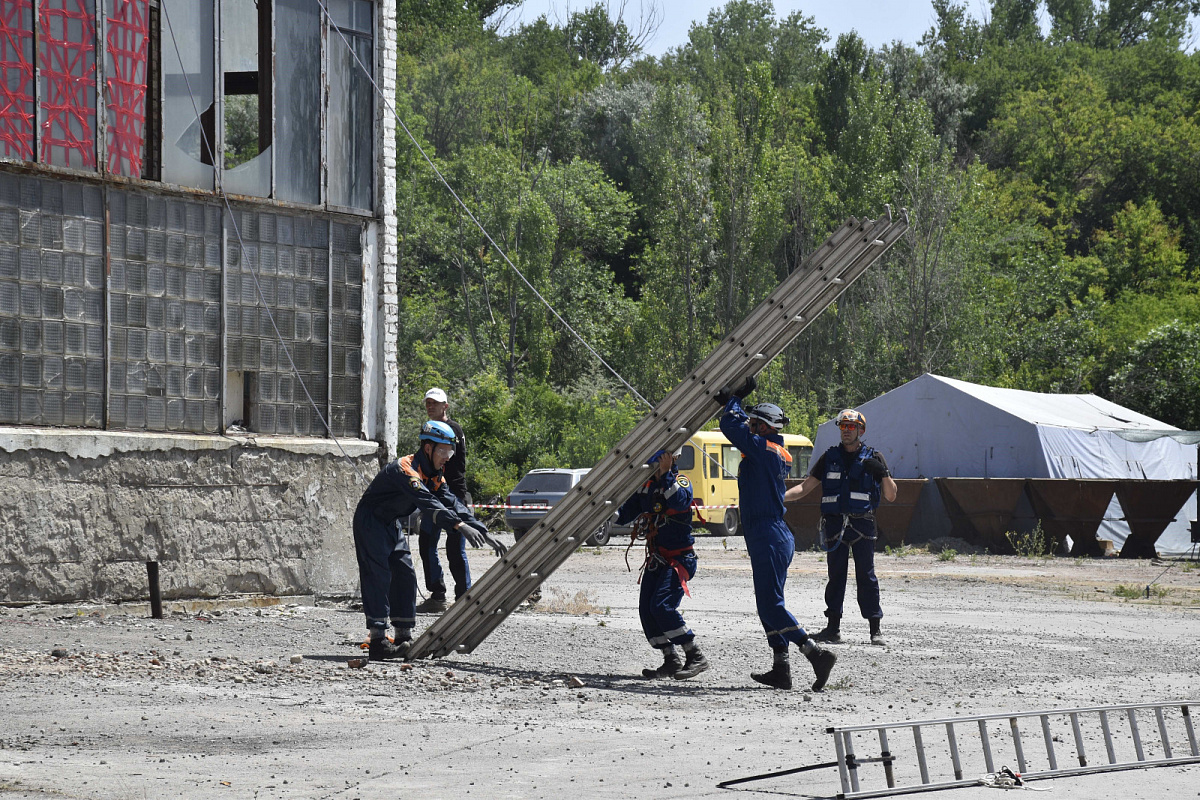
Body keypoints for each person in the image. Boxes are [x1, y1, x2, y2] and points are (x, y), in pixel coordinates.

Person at [718, 377, 837, 691]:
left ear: (765, 426)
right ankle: (781, 668)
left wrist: (734, 401)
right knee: (768, 605)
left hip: (768, 534)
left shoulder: (765, 450)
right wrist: (737, 406)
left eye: (755, 424)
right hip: (770, 534)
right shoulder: (770, 450)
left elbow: (730, 427)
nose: (751, 428)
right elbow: (739, 429)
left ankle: (815, 654)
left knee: (771, 605)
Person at [353, 420, 507, 660]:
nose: (448, 457)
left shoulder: (434, 475)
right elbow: (428, 503)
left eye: (451, 452)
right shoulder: (406, 470)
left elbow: (453, 503)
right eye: (444, 451)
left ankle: (403, 637)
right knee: (378, 576)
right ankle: (378, 641)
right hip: (371, 522)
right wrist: (460, 526)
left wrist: (482, 529)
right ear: (428, 449)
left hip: (391, 523)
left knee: (405, 573)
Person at [784, 408, 897, 646]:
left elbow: (891, 496)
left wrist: (884, 473)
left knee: (866, 576)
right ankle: (832, 629)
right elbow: (804, 489)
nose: (846, 431)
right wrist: (777, 498)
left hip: (862, 526)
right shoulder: (829, 457)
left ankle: (875, 630)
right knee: (836, 577)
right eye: (843, 427)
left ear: (861, 430)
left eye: (851, 427)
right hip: (835, 526)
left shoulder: (874, 458)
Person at [617, 448, 709, 681]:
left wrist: (666, 473)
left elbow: (679, 502)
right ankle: (670, 659)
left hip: (679, 559)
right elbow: (625, 513)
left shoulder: (680, 481)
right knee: (647, 610)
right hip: (657, 559)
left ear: (671, 458)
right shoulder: (647, 486)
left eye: (660, 458)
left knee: (662, 606)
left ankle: (694, 654)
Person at [415, 387, 471, 613]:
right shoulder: (427, 429)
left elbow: (450, 464)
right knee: (427, 543)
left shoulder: (453, 429)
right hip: (433, 493)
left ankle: (464, 598)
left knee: (455, 548)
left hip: (453, 494)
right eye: (428, 403)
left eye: (435, 403)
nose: (430, 407)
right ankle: (437, 594)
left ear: (445, 406)